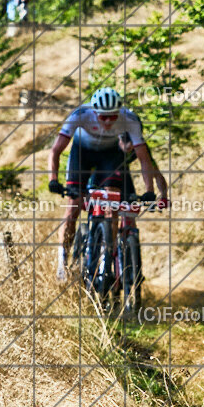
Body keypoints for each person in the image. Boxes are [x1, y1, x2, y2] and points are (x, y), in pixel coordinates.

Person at [47, 87, 162, 281]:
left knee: (112, 204)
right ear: (94, 112)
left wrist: (149, 190)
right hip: (82, 154)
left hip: (110, 157)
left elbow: (144, 159)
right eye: (103, 117)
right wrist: (53, 179)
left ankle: (105, 259)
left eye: (112, 116)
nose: (108, 121)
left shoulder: (129, 118)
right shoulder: (80, 114)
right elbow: (55, 150)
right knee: (73, 208)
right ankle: (62, 262)